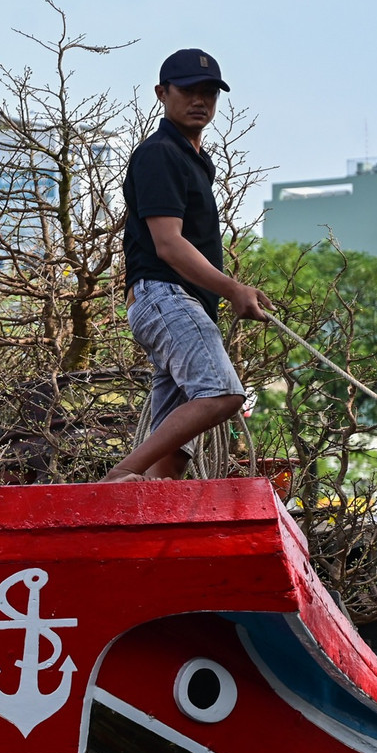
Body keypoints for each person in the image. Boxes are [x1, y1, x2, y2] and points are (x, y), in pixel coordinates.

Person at [100, 49, 272, 483]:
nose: (200, 100)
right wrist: (234, 289)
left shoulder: (193, 160)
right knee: (222, 393)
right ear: (162, 92)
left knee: (175, 454)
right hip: (165, 297)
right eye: (188, 90)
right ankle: (118, 478)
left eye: (209, 92)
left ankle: (150, 516)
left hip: (179, 303)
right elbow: (168, 244)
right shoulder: (159, 154)